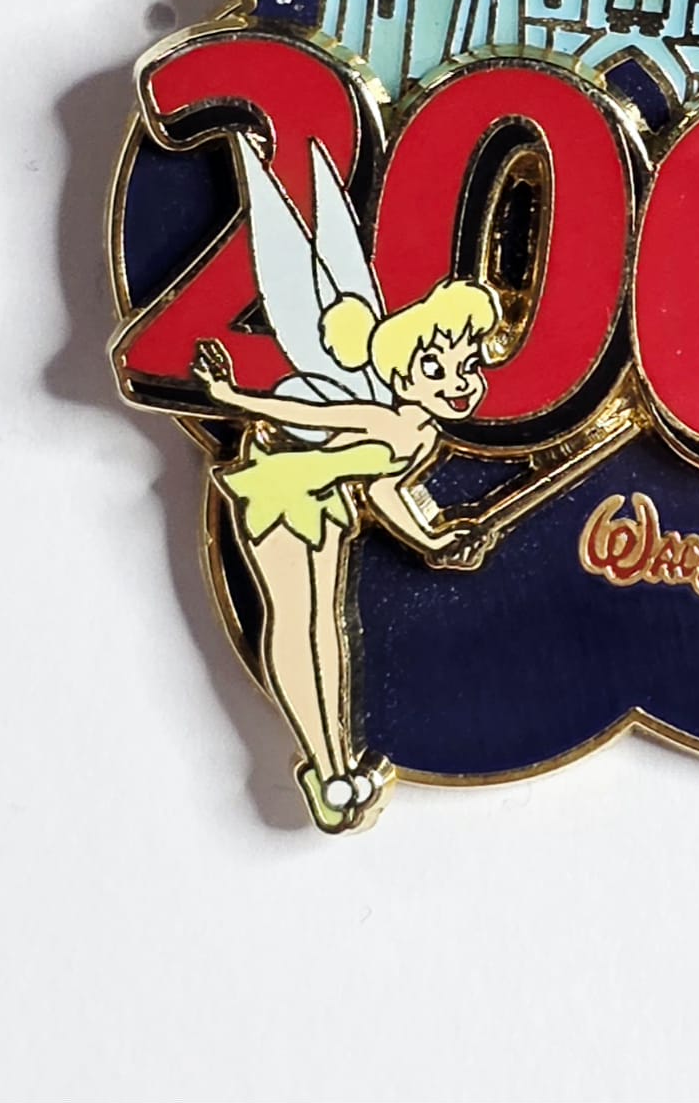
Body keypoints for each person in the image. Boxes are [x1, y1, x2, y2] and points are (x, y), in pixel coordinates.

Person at [192, 277, 500, 832]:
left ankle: (337, 760)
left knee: (326, 628)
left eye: (469, 364)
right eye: (435, 366)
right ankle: (324, 764)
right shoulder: (383, 417)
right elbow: (307, 415)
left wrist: (433, 540)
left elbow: (384, 492)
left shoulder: (424, 438)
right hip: (281, 493)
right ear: (400, 372)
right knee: (296, 621)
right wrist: (229, 396)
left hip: (329, 505)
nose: (456, 381)